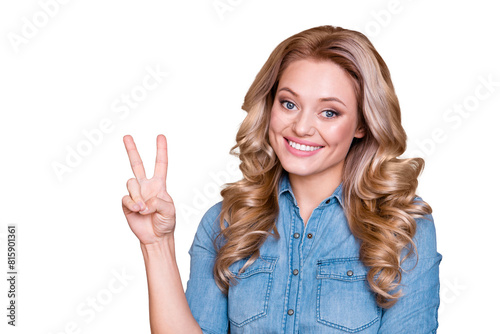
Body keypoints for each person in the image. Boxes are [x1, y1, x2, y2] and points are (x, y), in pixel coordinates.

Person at [121, 25, 442, 333]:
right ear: (270, 105)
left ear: (362, 124)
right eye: (289, 104)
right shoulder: (225, 222)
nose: (301, 127)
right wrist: (157, 244)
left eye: (329, 112)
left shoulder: (402, 227)